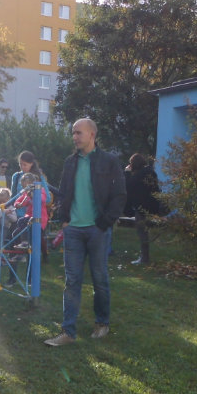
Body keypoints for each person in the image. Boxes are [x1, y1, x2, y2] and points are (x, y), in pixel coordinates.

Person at [44, 118, 126, 346]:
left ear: (92, 134)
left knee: (100, 278)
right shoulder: (70, 162)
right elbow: (63, 193)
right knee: (72, 281)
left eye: (78, 132)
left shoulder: (109, 161)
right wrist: (64, 220)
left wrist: (105, 222)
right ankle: (68, 332)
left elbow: (120, 194)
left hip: (97, 230)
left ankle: (102, 323)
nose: (74, 137)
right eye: (73, 132)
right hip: (73, 230)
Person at [124, 153, 161, 265]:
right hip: (152, 206)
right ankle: (144, 257)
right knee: (145, 232)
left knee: (142, 233)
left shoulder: (137, 176)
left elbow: (128, 187)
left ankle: (144, 258)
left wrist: (127, 173)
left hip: (141, 208)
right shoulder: (151, 172)